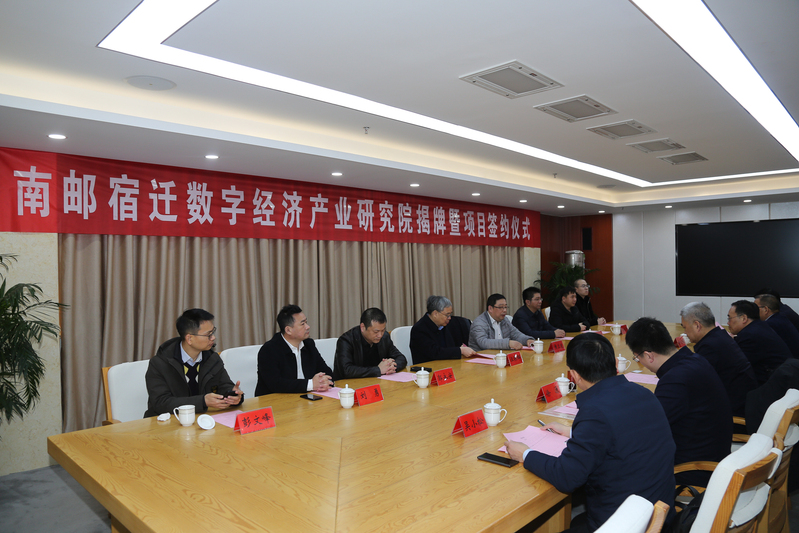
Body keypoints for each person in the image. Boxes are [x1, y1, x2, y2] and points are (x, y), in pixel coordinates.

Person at [505, 334, 675, 533]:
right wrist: (573, 432)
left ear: (574, 375)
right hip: (658, 515)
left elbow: (566, 477)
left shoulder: (595, 412)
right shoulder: (643, 393)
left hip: (624, 523)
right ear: (615, 364)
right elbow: (620, 433)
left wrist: (525, 454)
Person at [626, 317, 732, 487]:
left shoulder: (675, 380)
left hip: (694, 469)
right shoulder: (694, 360)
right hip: (712, 452)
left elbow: (646, 432)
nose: (641, 363)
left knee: (620, 460)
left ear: (649, 355)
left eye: (637, 358)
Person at [144, 308, 243, 417]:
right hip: (167, 421)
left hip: (202, 419)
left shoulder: (212, 359)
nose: (213, 338)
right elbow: (161, 403)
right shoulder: (160, 363)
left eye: (213, 332)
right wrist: (202, 401)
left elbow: (223, 385)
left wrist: (233, 395)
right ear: (189, 339)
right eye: (208, 335)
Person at [680, 302, 757, 416]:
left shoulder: (710, 346)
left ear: (697, 325)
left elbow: (695, 381)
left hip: (732, 411)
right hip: (741, 402)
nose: (685, 332)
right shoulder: (719, 336)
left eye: (685, 327)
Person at [254, 304, 334, 395]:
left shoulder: (309, 344)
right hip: (275, 400)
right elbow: (275, 384)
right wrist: (311, 384)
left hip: (306, 397)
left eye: (306, 322)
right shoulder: (269, 350)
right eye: (302, 324)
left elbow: (326, 371)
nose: (307, 327)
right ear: (288, 330)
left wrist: (324, 381)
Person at [727, 300, 791, 385]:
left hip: (775, 382)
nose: (728, 323)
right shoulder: (759, 326)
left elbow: (736, 365)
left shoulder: (749, 335)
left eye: (730, 318)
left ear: (744, 318)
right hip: (782, 376)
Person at [334, 307, 408, 380]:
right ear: (363, 327)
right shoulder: (346, 340)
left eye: (383, 330)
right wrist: (378, 370)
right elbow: (346, 370)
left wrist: (391, 366)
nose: (380, 335)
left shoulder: (384, 337)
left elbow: (401, 358)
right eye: (376, 332)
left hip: (377, 382)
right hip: (350, 385)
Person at [410, 295, 475, 364]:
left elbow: (450, 347)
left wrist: (460, 348)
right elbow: (434, 352)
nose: (449, 318)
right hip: (427, 367)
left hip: (447, 364)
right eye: (447, 315)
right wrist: (460, 350)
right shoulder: (419, 329)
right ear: (435, 314)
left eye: (450, 314)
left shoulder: (445, 325)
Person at [468, 293, 535, 351]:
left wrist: (527, 340)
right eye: (501, 307)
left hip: (500, 355)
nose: (504, 310)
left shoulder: (504, 320)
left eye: (505, 307)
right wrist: (508, 343)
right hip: (481, 358)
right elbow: (483, 342)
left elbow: (516, 334)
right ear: (490, 308)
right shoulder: (479, 322)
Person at [754, 293, 799, 359]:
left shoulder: (771, 324)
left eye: (755, 308)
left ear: (766, 309)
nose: (753, 311)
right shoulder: (780, 317)